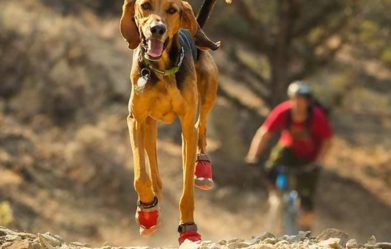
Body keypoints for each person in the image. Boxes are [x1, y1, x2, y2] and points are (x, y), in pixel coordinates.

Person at [246, 81, 333, 231]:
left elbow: (328, 140)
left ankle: (306, 233)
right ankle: (276, 197)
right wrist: (253, 156)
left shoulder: (316, 117)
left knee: (306, 200)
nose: (298, 103)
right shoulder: (283, 112)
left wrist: (319, 161)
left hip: (310, 157)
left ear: (308, 102)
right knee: (270, 168)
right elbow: (264, 133)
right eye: (295, 99)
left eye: (302, 100)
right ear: (290, 99)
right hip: (288, 149)